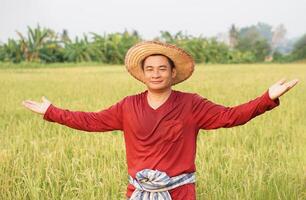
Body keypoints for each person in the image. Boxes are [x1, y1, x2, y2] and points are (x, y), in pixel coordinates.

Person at [22, 41, 299, 200]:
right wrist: (51, 111)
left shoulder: (192, 104)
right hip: (138, 193)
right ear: (142, 74)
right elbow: (91, 120)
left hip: (180, 193)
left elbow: (230, 116)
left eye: (162, 69)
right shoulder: (128, 106)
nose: (156, 74)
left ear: (172, 73)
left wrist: (266, 98)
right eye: (150, 69)